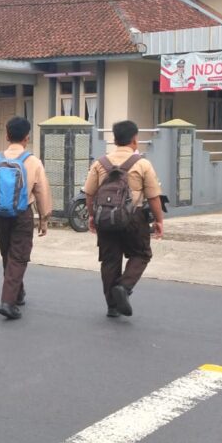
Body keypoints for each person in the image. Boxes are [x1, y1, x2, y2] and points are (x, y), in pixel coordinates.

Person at [0, 116, 53, 320]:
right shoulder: (33, 162)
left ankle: (17, 293)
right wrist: (44, 219)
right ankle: (8, 302)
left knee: (8, 255)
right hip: (22, 215)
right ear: (27, 137)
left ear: (7, 136)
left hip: (0, 215)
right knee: (18, 258)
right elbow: (42, 192)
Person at [83, 120, 165, 318]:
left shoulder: (100, 164)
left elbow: (89, 194)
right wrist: (159, 220)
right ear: (135, 140)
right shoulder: (143, 164)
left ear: (114, 139)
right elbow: (154, 196)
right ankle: (124, 286)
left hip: (105, 217)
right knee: (142, 254)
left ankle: (112, 306)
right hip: (134, 217)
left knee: (110, 259)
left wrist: (93, 216)